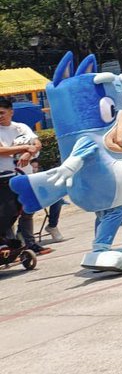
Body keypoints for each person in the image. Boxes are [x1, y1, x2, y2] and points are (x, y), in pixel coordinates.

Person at [0, 96, 51, 255]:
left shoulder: (21, 127)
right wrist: (26, 148)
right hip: (5, 177)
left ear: (11, 112)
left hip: (26, 176)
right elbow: (2, 151)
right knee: (8, 212)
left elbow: (37, 144)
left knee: (28, 210)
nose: (0, 116)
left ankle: (30, 243)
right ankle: (9, 246)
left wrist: (29, 153)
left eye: (2, 113)